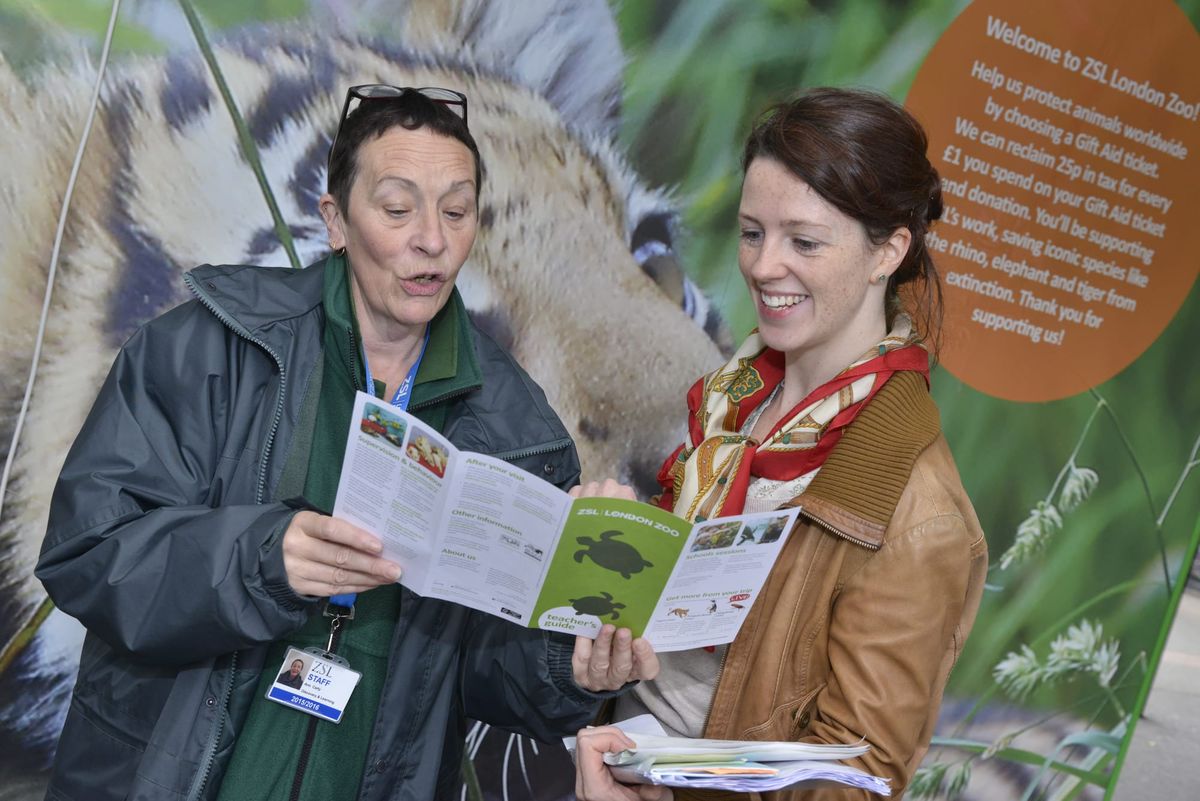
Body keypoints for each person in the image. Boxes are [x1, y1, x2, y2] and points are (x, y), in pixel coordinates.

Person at [36, 85, 657, 801]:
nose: (431, 238)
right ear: (335, 219)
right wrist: (261, 557)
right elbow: (88, 552)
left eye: (456, 212)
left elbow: (486, 672)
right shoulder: (208, 346)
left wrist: (569, 666)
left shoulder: (520, 429)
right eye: (397, 209)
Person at [574, 87, 988, 800]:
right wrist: (600, 647)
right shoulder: (729, 404)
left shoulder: (924, 517)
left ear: (887, 250)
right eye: (751, 232)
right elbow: (673, 658)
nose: (764, 267)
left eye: (804, 240)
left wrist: (673, 790)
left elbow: (851, 779)